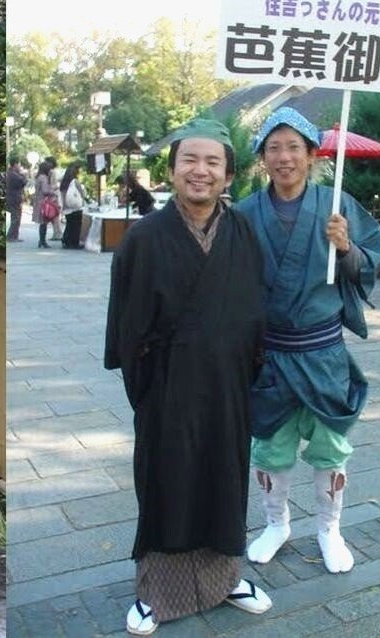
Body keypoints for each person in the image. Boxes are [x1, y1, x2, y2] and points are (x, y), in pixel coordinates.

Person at [104, 119, 272, 635]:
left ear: (228, 174)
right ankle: (156, 593)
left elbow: (255, 306)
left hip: (226, 386)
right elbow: (126, 327)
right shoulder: (145, 238)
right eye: (190, 161)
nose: (201, 171)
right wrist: (150, 392)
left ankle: (225, 579)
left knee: (224, 478)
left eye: (213, 162)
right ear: (173, 169)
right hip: (168, 387)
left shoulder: (243, 229)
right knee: (166, 482)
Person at [235, 107, 380, 576]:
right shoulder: (243, 213)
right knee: (271, 447)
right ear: (262, 158)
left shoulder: (337, 205)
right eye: (273, 148)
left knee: (330, 447)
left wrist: (346, 248)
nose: (284, 157)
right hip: (271, 353)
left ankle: (329, 529)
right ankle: (276, 523)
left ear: (312, 155)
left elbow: (370, 260)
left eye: (293, 148)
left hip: (322, 352)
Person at [34, 158, 60, 248]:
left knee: (42, 223)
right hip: (44, 203)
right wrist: (53, 191)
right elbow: (45, 191)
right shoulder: (44, 178)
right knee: (44, 223)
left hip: (38, 201)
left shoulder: (38, 177)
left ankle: (41, 240)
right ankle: (42, 241)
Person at [60, 163, 86, 248]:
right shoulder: (75, 181)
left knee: (69, 225)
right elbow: (82, 194)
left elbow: (62, 195)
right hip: (75, 207)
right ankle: (74, 242)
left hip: (66, 207)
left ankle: (66, 240)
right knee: (76, 226)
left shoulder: (64, 182)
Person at [5, 156, 28, 242]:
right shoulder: (13, 174)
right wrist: (25, 175)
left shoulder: (11, 173)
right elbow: (23, 182)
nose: (20, 166)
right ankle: (11, 236)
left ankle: (14, 236)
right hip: (14, 198)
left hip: (13, 197)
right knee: (16, 218)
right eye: (19, 164)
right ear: (15, 164)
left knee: (16, 218)